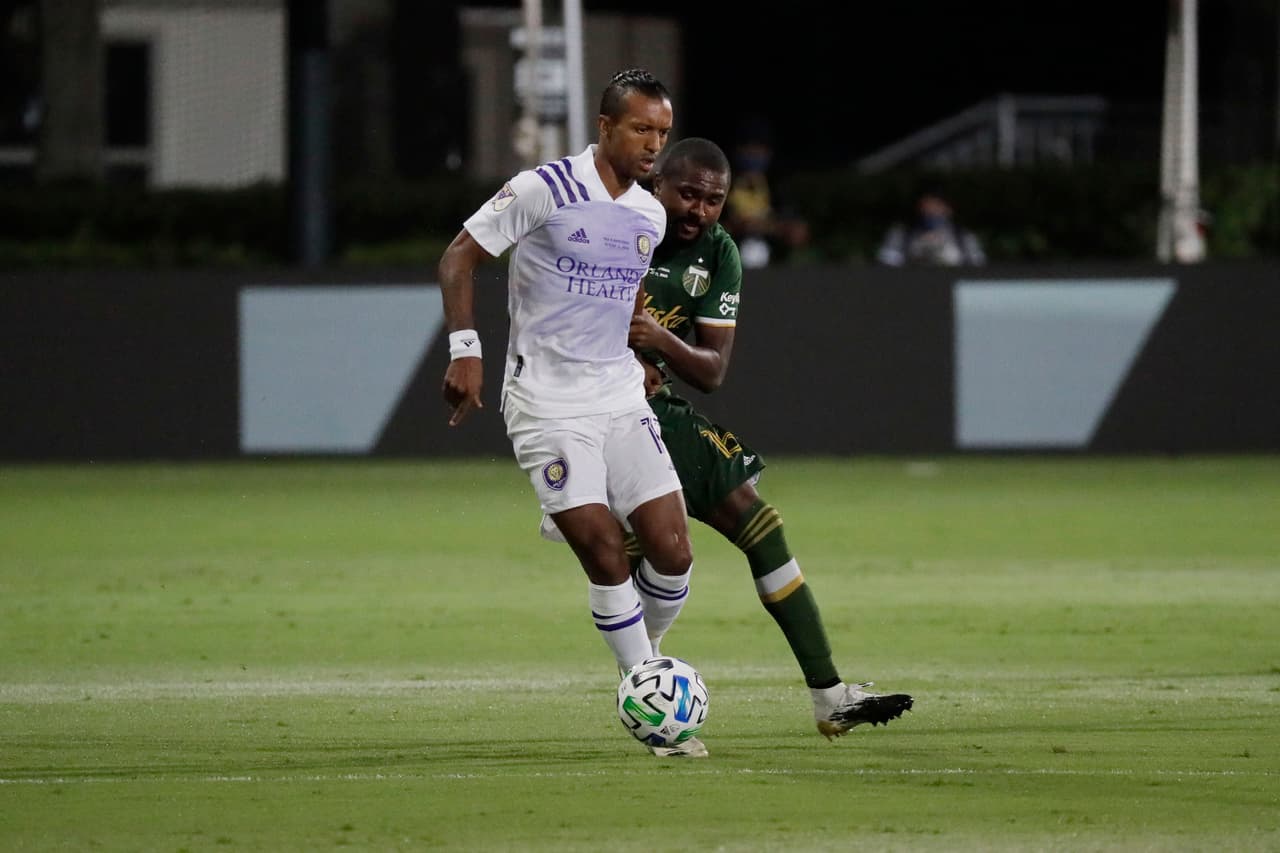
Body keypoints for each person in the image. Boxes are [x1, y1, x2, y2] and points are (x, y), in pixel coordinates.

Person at [437, 68, 704, 758]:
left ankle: (645, 661)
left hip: (616, 395)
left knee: (674, 555)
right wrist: (466, 349)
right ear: (606, 127)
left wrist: (641, 350)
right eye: (642, 129)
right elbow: (458, 258)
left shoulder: (649, 213)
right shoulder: (543, 189)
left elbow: (631, 290)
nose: (654, 144)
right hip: (547, 401)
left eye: (663, 132)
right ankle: (648, 698)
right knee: (604, 550)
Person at [627, 136, 914, 740]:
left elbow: (712, 371)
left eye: (714, 200)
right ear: (658, 185)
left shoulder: (720, 251)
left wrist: (658, 341)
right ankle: (645, 675)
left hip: (657, 407)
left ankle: (826, 696)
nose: (700, 210)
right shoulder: (619, 224)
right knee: (639, 552)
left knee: (747, 525)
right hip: (597, 409)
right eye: (689, 195)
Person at [721, 120, 810, 269]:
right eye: (747, 148)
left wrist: (766, 227)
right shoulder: (724, 184)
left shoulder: (778, 187)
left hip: (774, 262)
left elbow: (799, 233)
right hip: (729, 258)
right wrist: (736, 227)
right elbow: (707, 229)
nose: (753, 154)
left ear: (768, 152)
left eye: (758, 149)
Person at [876, 184, 986, 267]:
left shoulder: (962, 237)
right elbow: (887, 264)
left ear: (948, 209)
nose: (931, 211)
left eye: (936, 206)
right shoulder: (902, 235)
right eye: (926, 205)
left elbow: (978, 267)